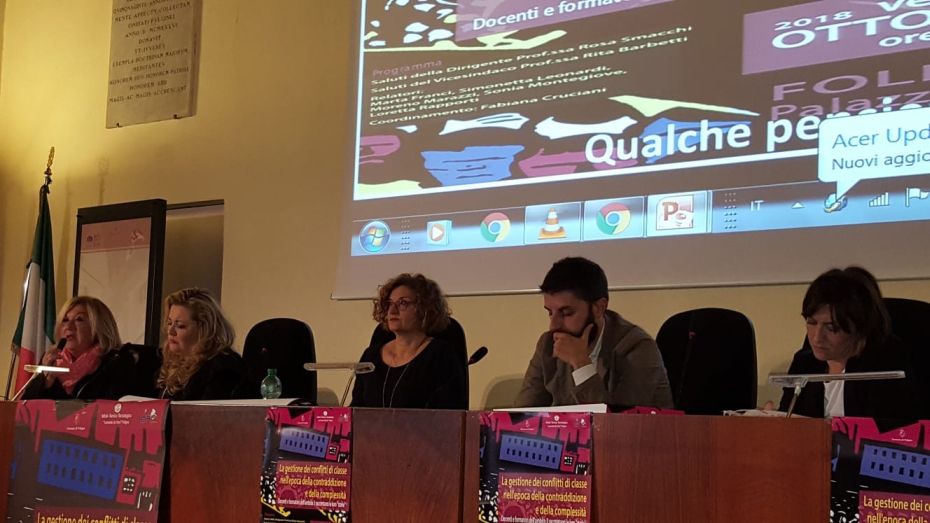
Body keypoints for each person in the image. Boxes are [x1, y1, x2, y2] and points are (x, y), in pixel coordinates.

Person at [514, 257, 673, 408]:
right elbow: (521, 415)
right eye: (550, 312)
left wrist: (581, 364)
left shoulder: (637, 347)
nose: (553, 326)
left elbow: (619, 421)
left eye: (567, 313)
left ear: (598, 308)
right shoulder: (548, 344)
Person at [778, 267, 925, 419]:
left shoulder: (887, 363)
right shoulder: (804, 363)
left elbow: (889, 428)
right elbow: (791, 422)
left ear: (860, 326)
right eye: (811, 322)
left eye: (832, 327)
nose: (817, 337)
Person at [351, 273, 467, 409]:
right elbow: (355, 409)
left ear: (424, 309)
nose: (392, 311)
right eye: (389, 303)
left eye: (403, 303)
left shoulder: (441, 355)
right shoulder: (371, 356)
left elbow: (450, 413)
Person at [21, 296, 155, 400]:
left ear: (98, 327)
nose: (68, 326)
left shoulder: (117, 362)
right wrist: (45, 382)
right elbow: (24, 412)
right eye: (65, 320)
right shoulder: (51, 361)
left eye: (79, 320)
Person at [156, 288, 244, 401]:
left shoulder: (222, 368)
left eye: (180, 326)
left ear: (204, 329)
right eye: (169, 323)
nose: (170, 331)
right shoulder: (173, 362)